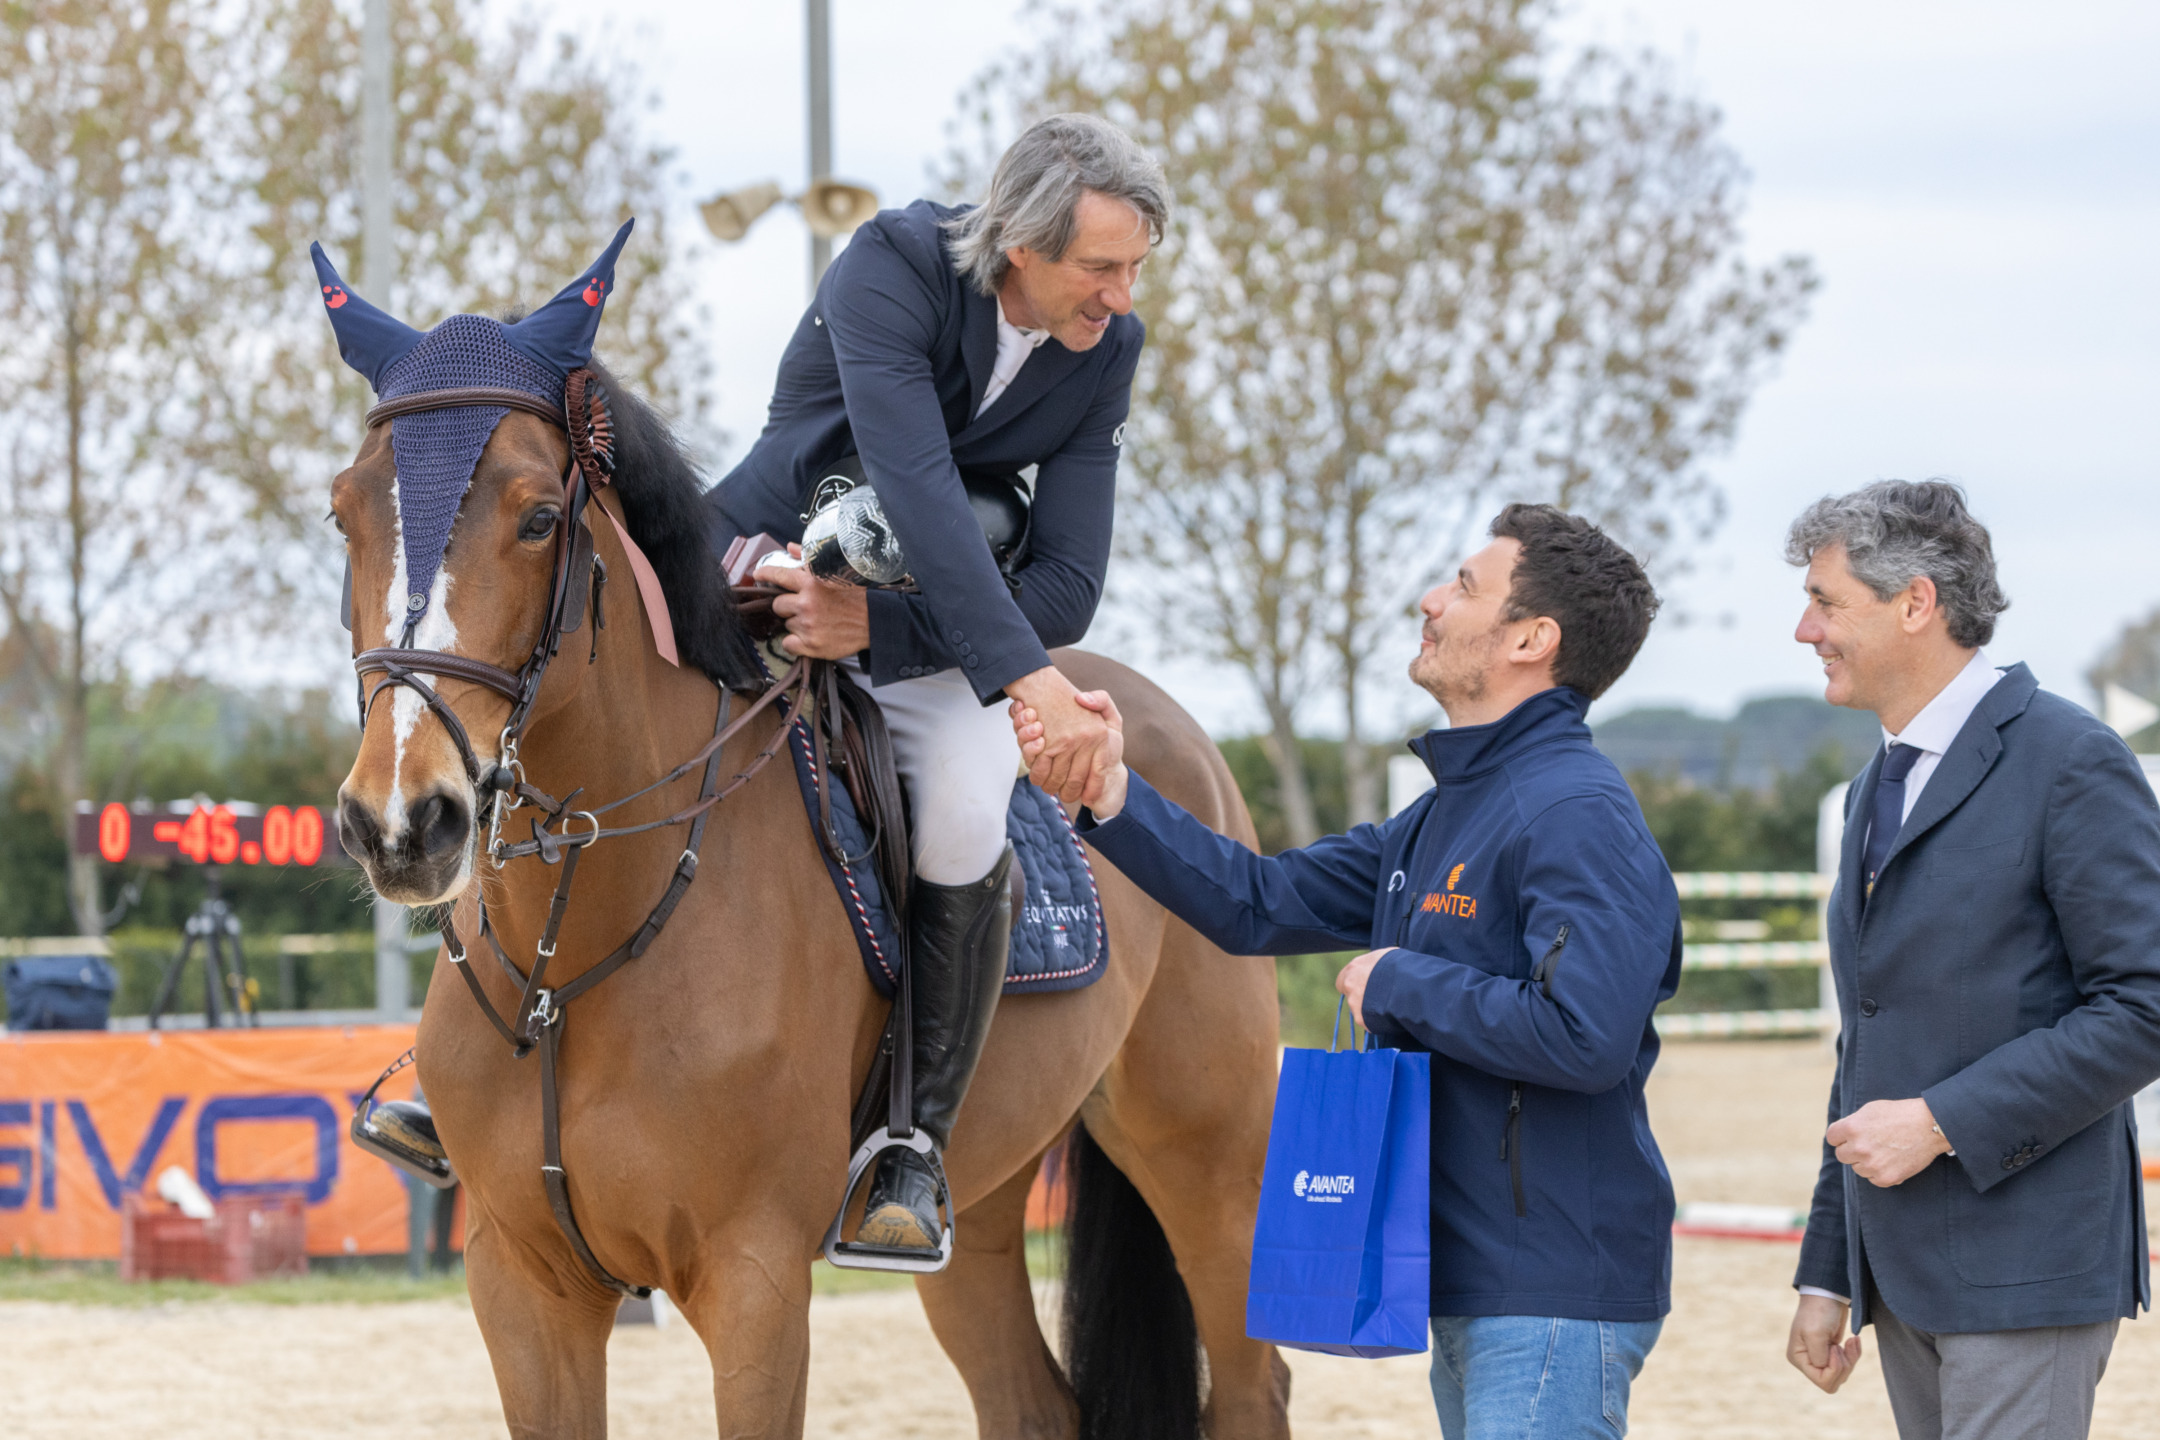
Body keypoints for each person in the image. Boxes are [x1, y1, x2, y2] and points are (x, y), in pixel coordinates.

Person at [1016, 505, 1681, 1439]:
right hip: (1473, 1273)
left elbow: (1586, 1034)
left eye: (1464, 586)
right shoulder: (1441, 816)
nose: (1431, 600)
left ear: (1533, 638)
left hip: (1554, 1285)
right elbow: (1255, 901)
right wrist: (1111, 794)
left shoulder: (1576, 811)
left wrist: (1401, 982)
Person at [701, 114, 1167, 1251]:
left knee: (965, 809)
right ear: (1020, 244)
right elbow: (911, 483)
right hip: (759, 572)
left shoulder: (1106, 350)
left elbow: (1067, 584)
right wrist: (1025, 678)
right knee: (570, 695)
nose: (1120, 296)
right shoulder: (893, 265)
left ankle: (911, 1145)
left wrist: (887, 632)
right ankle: (463, 1059)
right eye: (1100, 267)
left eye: (1136, 269)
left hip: (919, 629)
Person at [1782, 480, 2160, 1439]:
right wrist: (1831, 1266)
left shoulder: (2071, 759)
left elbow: (2147, 1004)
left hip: (2027, 1265)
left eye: (1826, 602)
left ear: (1916, 603)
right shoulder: (1878, 780)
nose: (1803, 629)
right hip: (1903, 1269)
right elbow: (1868, 1037)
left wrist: (1944, 1122)